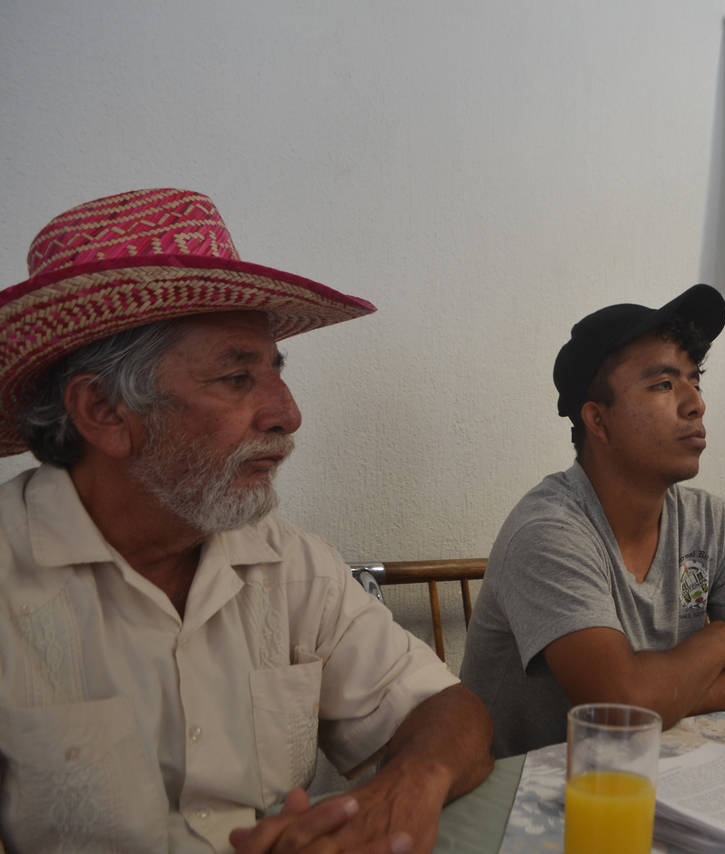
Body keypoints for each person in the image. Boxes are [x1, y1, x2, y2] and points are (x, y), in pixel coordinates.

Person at [0, 189, 493, 853]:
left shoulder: (287, 564)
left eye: (274, 371)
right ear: (104, 412)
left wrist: (406, 789)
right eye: (237, 378)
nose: (287, 413)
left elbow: (446, 710)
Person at [460, 285, 725, 758]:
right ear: (598, 421)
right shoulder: (549, 531)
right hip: (531, 787)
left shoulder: (708, 520)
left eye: (695, 381)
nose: (695, 404)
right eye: (664, 384)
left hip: (651, 768)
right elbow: (621, 705)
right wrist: (717, 644)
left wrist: (671, 698)